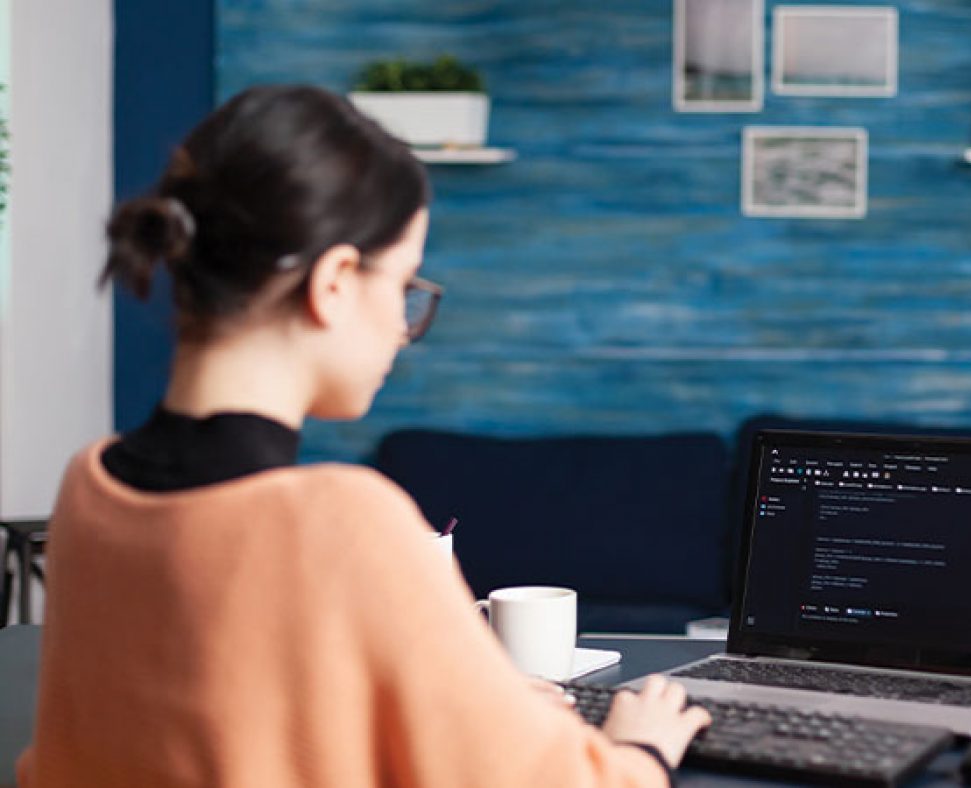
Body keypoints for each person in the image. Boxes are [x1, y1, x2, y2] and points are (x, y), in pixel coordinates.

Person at [18, 84, 709, 787]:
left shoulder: (88, 487)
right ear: (337, 282)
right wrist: (637, 751)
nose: (403, 332)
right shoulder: (342, 520)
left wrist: (481, 705)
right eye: (404, 285)